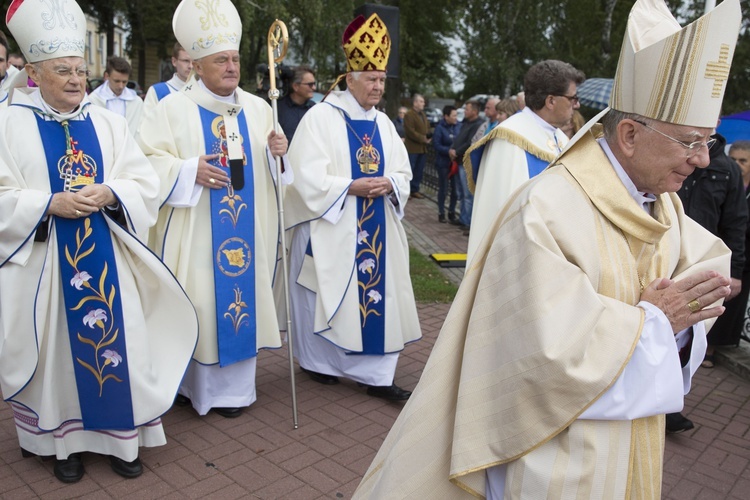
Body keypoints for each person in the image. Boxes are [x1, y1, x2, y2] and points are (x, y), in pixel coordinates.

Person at [353, 0, 741, 497]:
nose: (703, 159)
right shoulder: (550, 207)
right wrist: (654, 324)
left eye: (708, 142)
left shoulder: (660, 202)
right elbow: (542, 352)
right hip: (556, 452)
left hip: (631, 438)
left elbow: (704, 266)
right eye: (690, 141)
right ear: (627, 134)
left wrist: (685, 318)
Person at [0, 0, 198, 484]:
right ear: (34, 72)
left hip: (108, 255)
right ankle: (59, 444)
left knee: (121, 342)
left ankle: (121, 440)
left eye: (79, 69)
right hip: (44, 264)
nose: (75, 79)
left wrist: (112, 191)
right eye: (63, 70)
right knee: (57, 357)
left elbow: (142, 180)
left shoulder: (107, 121)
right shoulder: (7, 123)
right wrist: (48, 204)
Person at [138, 0, 289, 419]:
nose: (231, 66)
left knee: (237, 301)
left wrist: (279, 154)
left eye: (235, 58)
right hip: (195, 232)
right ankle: (189, 386)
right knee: (198, 302)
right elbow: (144, 163)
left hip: (245, 234)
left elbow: (277, 177)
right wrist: (187, 170)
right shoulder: (171, 109)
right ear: (196, 66)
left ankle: (234, 393)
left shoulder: (260, 109)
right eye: (220, 59)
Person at [284, 13, 421, 401]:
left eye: (382, 80)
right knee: (327, 296)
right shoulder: (321, 118)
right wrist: (350, 186)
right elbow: (304, 177)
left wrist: (391, 183)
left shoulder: (383, 124)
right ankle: (319, 364)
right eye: (372, 79)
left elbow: (403, 172)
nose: (379, 87)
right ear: (350, 78)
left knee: (377, 297)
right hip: (334, 226)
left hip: (377, 224)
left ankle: (376, 376)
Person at [464, 60, 584, 266]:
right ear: (551, 101)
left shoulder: (560, 139)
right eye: (573, 98)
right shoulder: (510, 140)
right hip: (520, 262)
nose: (577, 105)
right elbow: (503, 217)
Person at [668, 131, 748, 433]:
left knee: (685, 334)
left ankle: (671, 402)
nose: (697, 158)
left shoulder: (726, 170)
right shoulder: (673, 152)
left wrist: (735, 270)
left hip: (698, 263)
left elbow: (735, 221)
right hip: (666, 253)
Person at [449, 100, 482, 234]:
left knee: (468, 194)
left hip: (466, 162)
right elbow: (459, 138)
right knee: (460, 193)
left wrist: (457, 151)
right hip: (458, 160)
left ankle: (468, 221)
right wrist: (452, 148)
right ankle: (462, 218)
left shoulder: (477, 125)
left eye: (467, 109)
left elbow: (470, 142)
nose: (465, 112)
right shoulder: (465, 123)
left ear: (474, 111)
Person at [88, 56, 143, 136]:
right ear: (107, 76)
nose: (121, 86)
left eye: (124, 82)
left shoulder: (136, 102)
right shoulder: (94, 100)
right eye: (117, 81)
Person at [142, 43, 193, 115]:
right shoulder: (157, 91)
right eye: (186, 61)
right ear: (174, 61)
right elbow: (146, 123)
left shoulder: (204, 90)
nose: (190, 66)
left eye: (194, 61)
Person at [433, 105, 461, 223]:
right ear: (446, 116)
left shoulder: (459, 126)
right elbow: (436, 144)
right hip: (443, 163)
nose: (456, 118)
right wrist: (447, 150)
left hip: (455, 162)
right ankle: (441, 212)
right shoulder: (440, 128)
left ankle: (451, 211)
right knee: (443, 189)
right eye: (453, 115)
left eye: (456, 115)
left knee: (455, 190)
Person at [277, 65, 316, 144]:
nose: (314, 88)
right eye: (310, 84)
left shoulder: (315, 109)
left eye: (314, 84)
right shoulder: (277, 108)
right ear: (295, 86)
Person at [404, 93, 430, 198]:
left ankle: (415, 189)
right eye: (421, 101)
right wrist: (423, 138)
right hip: (413, 148)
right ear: (415, 103)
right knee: (410, 170)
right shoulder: (409, 115)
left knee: (419, 170)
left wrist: (429, 136)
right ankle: (407, 190)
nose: (423, 104)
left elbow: (426, 127)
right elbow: (410, 131)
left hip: (422, 149)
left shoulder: (423, 114)